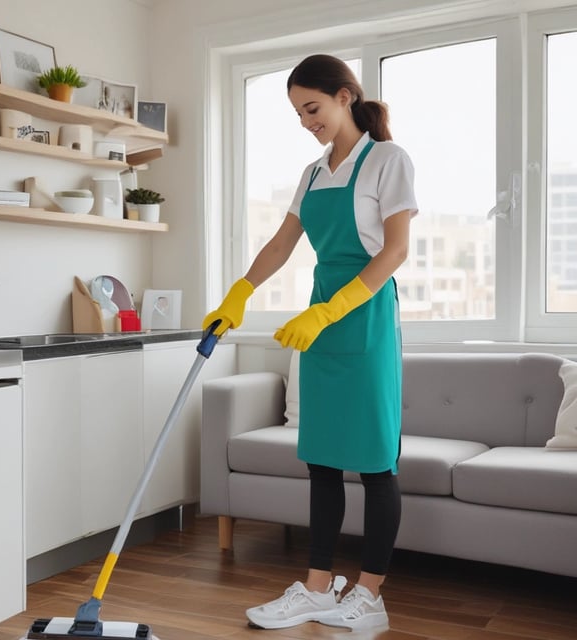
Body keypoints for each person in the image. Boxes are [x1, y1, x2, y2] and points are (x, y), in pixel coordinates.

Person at [203, 53, 418, 631]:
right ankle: (318, 587)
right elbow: (281, 244)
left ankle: (369, 594)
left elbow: (394, 252)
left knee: (376, 465)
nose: (307, 121)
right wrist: (238, 294)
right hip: (320, 319)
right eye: (299, 112)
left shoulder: (387, 160)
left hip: (363, 316)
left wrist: (331, 310)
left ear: (346, 97)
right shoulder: (314, 171)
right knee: (321, 461)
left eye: (313, 108)